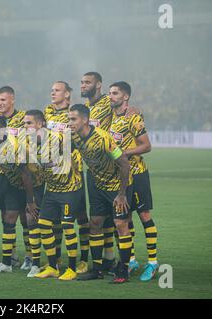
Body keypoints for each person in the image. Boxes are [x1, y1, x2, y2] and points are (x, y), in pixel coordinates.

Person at [69, 104, 133, 283]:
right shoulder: (74, 137)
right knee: (95, 223)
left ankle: (124, 270)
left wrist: (122, 194)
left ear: (85, 120)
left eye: (74, 119)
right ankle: (97, 269)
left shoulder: (103, 138)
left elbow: (124, 163)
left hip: (116, 187)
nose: (70, 122)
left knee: (121, 225)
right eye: (69, 119)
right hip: (97, 185)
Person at [21, 110, 82, 281]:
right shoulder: (28, 144)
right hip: (52, 189)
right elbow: (27, 171)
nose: (25, 127)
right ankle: (53, 266)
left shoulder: (58, 138)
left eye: (29, 124)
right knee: (43, 224)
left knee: (67, 226)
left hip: (70, 188)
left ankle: (71, 268)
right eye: (24, 124)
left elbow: (77, 144)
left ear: (40, 125)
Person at [108, 81, 158, 281]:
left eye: (115, 93)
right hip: (120, 177)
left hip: (137, 173)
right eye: (110, 93)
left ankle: (153, 263)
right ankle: (132, 260)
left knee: (144, 215)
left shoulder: (134, 116)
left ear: (125, 97)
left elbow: (146, 146)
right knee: (124, 219)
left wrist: (123, 153)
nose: (110, 96)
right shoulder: (112, 116)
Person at [0, 115, 45, 277]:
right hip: (14, 182)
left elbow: (26, 174)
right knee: (9, 218)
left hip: (33, 183)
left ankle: (35, 264)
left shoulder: (13, 145)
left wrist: (30, 200)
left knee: (31, 219)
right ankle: (7, 263)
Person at [43, 81, 90, 274]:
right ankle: (55, 261)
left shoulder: (76, 113)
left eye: (57, 90)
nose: (52, 92)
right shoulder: (47, 112)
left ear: (68, 94)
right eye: (51, 89)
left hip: (73, 174)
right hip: (53, 176)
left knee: (80, 219)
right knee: (53, 223)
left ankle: (83, 261)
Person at [0, 86, 32, 270]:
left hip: (23, 172)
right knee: (6, 215)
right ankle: (12, 255)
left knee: (25, 217)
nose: (0, 103)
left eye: (3, 100)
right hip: (4, 174)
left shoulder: (23, 118)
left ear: (12, 100)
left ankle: (29, 256)